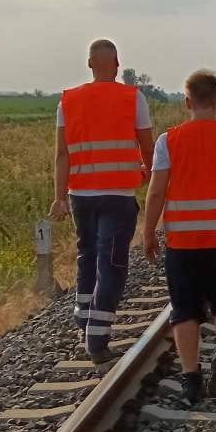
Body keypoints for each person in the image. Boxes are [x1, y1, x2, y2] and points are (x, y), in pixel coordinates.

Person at [142, 69, 216, 406]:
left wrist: (149, 231)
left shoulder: (168, 141)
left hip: (183, 244)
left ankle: (191, 379)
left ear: (187, 102)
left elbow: (156, 193)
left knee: (185, 310)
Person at [50, 39, 154, 364]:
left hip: (80, 194)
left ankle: (84, 318)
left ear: (89, 64)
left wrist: (58, 197)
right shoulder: (132, 98)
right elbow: (147, 146)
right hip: (118, 194)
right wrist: (150, 173)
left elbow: (62, 154)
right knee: (111, 263)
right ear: (118, 64)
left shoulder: (68, 101)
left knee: (87, 255)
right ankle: (96, 337)